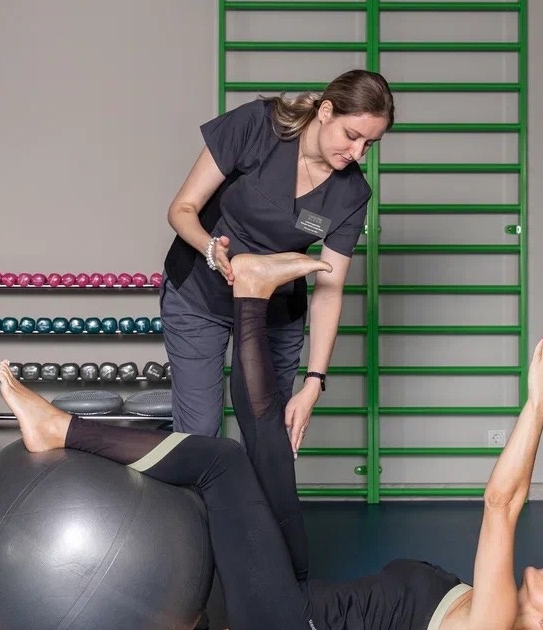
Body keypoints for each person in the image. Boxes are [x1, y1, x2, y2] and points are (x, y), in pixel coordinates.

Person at [0, 251, 543, 630]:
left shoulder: (491, 625)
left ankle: (60, 429)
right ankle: (251, 292)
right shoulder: (479, 610)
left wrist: (538, 402)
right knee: (268, 446)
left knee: (222, 465)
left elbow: (502, 502)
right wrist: (255, 603)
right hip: (288, 609)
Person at [160, 69, 394, 457]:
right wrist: (210, 248)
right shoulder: (257, 125)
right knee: (199, 436)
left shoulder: (352, 193)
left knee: (267, 436)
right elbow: (182, 209)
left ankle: (255, 501)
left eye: (370, 143)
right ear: (326, 111)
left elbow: (329, 288)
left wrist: (314, 381)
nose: (357, 153)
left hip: (274, 309)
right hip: (200, 292)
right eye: (352, 136)